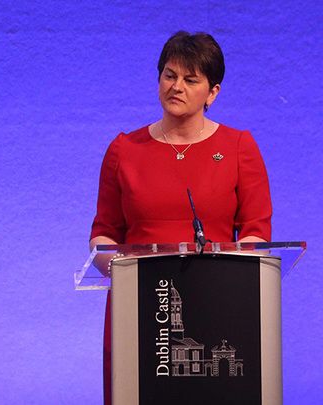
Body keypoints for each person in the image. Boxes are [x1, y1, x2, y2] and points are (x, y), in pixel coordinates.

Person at [89, 31, 271, 404]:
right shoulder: (124, 149)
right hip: (139, 308)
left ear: (213, 92)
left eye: (191, 80)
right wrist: (123, 269)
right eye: (169, 75)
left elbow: (256, 234)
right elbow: (103, 235)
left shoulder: (239, 148)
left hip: (219, 305)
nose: (177, 87)